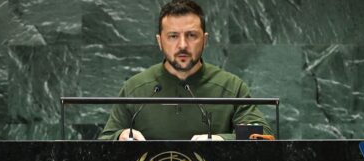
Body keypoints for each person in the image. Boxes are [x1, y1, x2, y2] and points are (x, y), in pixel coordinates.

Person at [98, 0, 273, 141]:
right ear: (159, 41)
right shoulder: (135, 88)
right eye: (173, 36)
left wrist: (221, 140)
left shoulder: (231, 87)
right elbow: (104, 142)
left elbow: (263, 138)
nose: (182, 45)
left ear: (204, 40)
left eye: (191, 35)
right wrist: (119, 137)